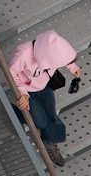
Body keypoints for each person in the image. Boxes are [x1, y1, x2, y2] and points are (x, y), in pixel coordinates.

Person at [9, 30, 81, 167]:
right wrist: (22, 92)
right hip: (27, 91)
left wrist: (72, 66)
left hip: (44, 85)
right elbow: (10, 73)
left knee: (51, 113)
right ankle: (14, 112)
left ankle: (50, 139)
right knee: (39, 122)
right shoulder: (23, 53)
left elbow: (60, 57)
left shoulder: (49, 49)